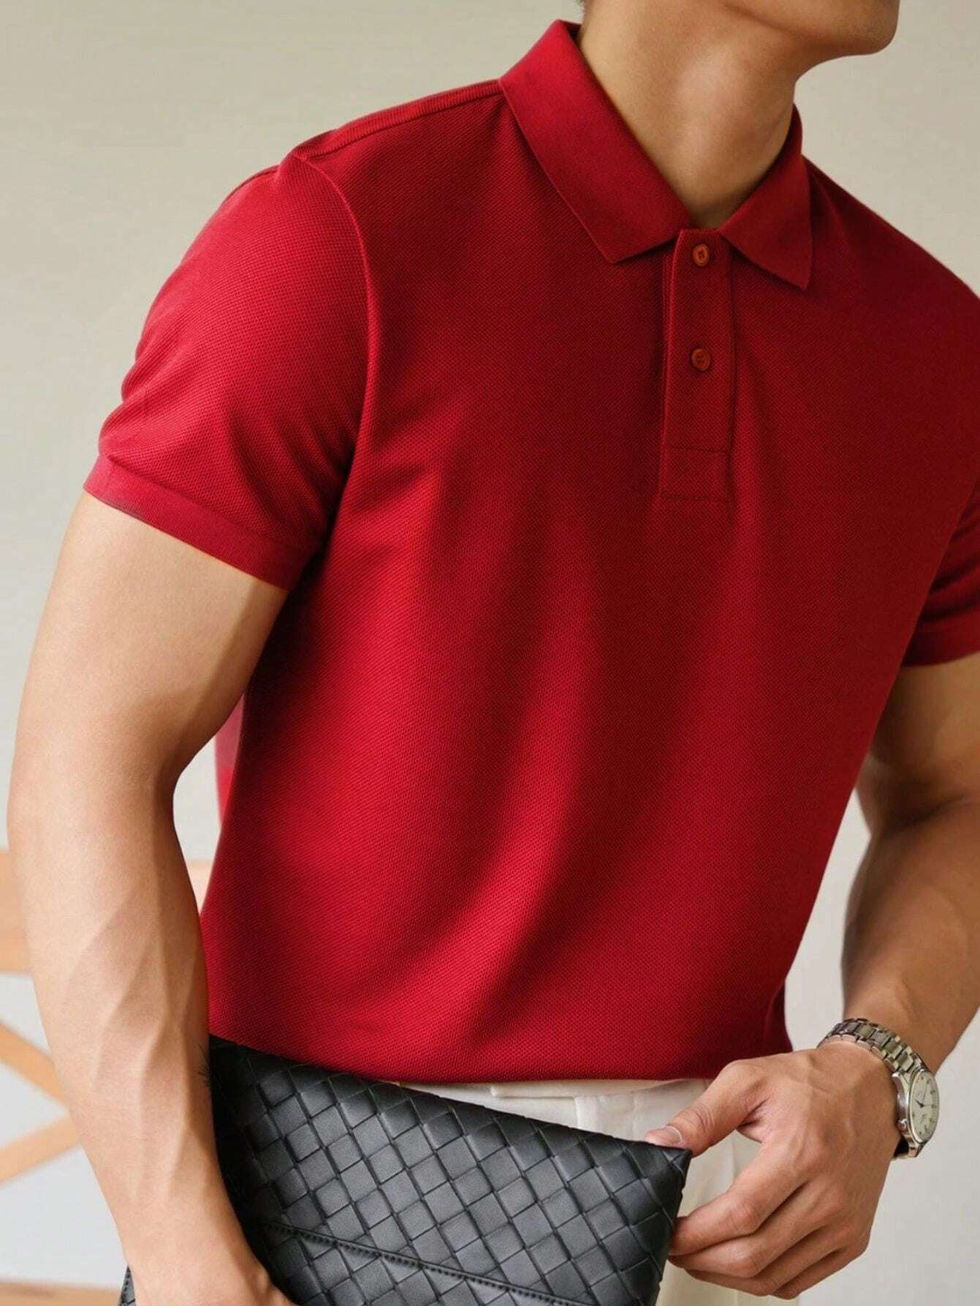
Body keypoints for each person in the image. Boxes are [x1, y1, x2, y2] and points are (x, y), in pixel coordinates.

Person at [8, 2, 980, 1303]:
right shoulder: (336, 239)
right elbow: (89, 753)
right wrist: (185, 1256)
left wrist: (878, 1067)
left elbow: (957, 793)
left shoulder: (937, 350)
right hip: (306, 1232)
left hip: (702, 1232)